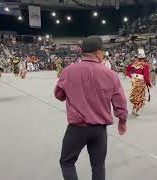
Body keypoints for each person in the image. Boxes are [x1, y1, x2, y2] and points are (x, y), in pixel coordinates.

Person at [54, 36, 128, 180]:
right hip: (99, 130)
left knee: (67, 162)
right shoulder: (110, 74)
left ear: (82, 51)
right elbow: (120, 102)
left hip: (77, 129)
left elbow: (59, 95)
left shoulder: (69, 70)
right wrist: (122, 121)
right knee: (98, 166)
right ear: (98, 52)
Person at [126, 48, 151, 116]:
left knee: (135, 96)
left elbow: (127, 69)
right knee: (140, 97)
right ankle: (135, 110)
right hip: (140, 82)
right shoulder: (145, 65)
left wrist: (131, 76)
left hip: (134, 81)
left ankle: (134, 109)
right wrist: (148, 83)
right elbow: (146, 76)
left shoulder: (134, 64)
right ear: (144, 57)